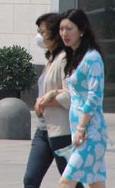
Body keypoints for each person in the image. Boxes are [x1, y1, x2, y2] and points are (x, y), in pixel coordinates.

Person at [23, 13, 83, 188]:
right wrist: (41, 99)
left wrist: (46, 100)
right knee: (30, 179)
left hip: (60, 131)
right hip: (42, 130)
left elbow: (70, 95)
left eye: (43, 32)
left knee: (70, 181)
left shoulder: (64, 58)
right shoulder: (52, 58)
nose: (39, 36)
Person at [58, 8, 108, 188]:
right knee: (96, 184)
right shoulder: (75, 57)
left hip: (90, 132)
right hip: (81, 131)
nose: (64, 33)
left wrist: (81, 126)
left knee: (66, 181)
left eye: (69, 28)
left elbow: (95, 95)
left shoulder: (92, 58)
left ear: (82, 30)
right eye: (61, 29)